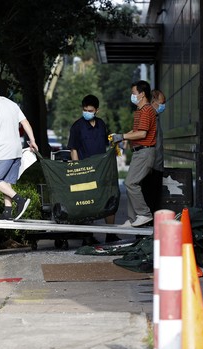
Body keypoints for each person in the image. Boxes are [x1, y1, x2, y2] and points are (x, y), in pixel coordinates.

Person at [0, 82, 39, 220]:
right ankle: (7, 211)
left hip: (2, 150)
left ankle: (20, 200)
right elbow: (25, 122)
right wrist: (33, 140)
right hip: (17, 150)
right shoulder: (12, 104)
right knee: (6, 181)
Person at [67, 95, 120, 242]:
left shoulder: (101, 124)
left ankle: (110, 234)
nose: (87, 112)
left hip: (102, 169)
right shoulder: (77, 126)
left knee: (108, 198)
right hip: (86, 170)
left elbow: (106, 144)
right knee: (88, 203)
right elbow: (73, 149)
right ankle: (87, 236)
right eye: (85, 110)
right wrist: (77, 169)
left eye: (90, 110)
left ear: (97, 110)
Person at [111, 80, 157, 227]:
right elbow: (135, 132)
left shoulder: (147, 111)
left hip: (145, 152)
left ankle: (144, 214)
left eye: (134, 93)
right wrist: (119, 136)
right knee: (131, 183)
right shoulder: (140, 111)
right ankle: (133, 219)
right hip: (139, 152)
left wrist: (122, 137)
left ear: (142, 94)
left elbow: (142, 134)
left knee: (131, 183)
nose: (132, 96)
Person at [142, 89, 166, 213]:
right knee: (151, 200)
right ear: (153, 101)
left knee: (154, 201)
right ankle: (147, 229)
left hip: (156, 165)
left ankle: (151, 227)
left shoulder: (155, 117)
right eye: (162, 102)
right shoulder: (149, 117)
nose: (163, 105)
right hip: (151, 166)